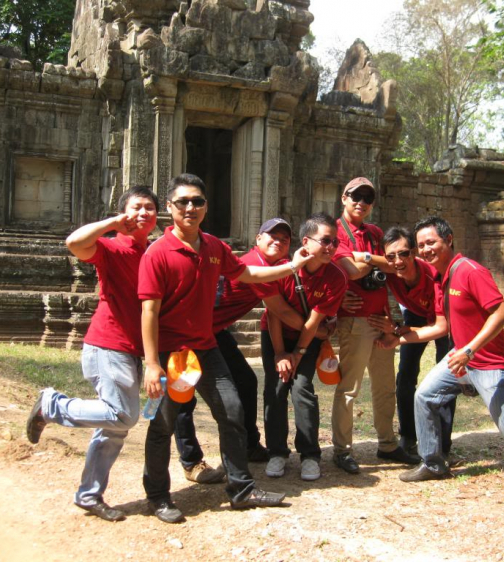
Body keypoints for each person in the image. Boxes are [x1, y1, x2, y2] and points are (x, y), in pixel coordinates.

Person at [138, 173, 313, 524]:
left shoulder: (214, 248)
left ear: (205, 207)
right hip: (173, 355)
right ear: (169, 208)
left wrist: (291, 265)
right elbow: (149, 311)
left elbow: (248, 274)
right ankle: (158, 496)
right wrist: (151, 363)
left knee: (232, 411)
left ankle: (241, 489)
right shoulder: (157, 254)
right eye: (183, 202)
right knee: (162, 424)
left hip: (206, 347)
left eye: (198, 201)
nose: (191, 207)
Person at [379, 216, 504, 497]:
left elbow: (502, 314)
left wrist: (469, 349)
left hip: (488, 362)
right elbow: (441, 327)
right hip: (460, 356)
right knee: (424, 396)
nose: (426, 249)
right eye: (422, 245)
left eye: (432, 242)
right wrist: (399, 339)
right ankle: (433, 463)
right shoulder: (441, 278)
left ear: (448, 240)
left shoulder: (470, 271)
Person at [25, 185, 159, 522]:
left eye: (150, 208)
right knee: (123, 416)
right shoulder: (112, 247)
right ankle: (51, 405)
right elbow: (74, 243)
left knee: (114, 429)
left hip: (131, 349)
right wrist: (113, 223)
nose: (143, 213)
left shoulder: (152, 253)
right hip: (107, 343)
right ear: (124, 212)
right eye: (136, 207)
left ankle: (89, 494)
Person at [173, 218, 328, 484]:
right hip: (186, 333)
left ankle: (250, 445)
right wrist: (319, 331)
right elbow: (279, 310)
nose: (277, 242)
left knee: (246, 381)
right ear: (257, 239)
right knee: (182, 395)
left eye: (284, 239)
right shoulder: (255, 264)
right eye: (272, 236)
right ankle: (191, 460)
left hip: (214, 331)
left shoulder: (275, 267)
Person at [329, 177, 412, 474]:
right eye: (355, 196)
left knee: (385, 386)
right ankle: (342, 450)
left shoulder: (375, 232)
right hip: (354, 320)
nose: (361, 202)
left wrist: (365, 257)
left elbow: (396, 264)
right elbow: (349, 272)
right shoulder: (334, 232)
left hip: (381, 319)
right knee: (349, 388)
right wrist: (375, 262)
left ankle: (387, 444)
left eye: (367, 198)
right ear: (343, 197)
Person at [263, 213, 347, 481]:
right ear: (306, 242)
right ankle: (276, 452)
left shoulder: (335, 277)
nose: (331, 247)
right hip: (274, 334)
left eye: (334, 242)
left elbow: (314, 323)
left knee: (302, 388)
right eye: (325, 241)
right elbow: (274, 313)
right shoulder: (282, 268)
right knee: (276, 387)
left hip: (307, 340)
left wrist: (297, 353)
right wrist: (279, 353)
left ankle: (310, 455)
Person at [367, 226, 456, 464]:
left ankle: (442, 445)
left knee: (445, 380)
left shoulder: (433, 277)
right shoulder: (390, 271)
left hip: (445, 320)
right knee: (405, 375)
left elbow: (440, 327)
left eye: (404, 254)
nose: (398, 261)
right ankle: (407, 435)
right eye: (391, 256)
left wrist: (397, 334)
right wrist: (395, 324)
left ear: (414, 253)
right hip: (417, 317)